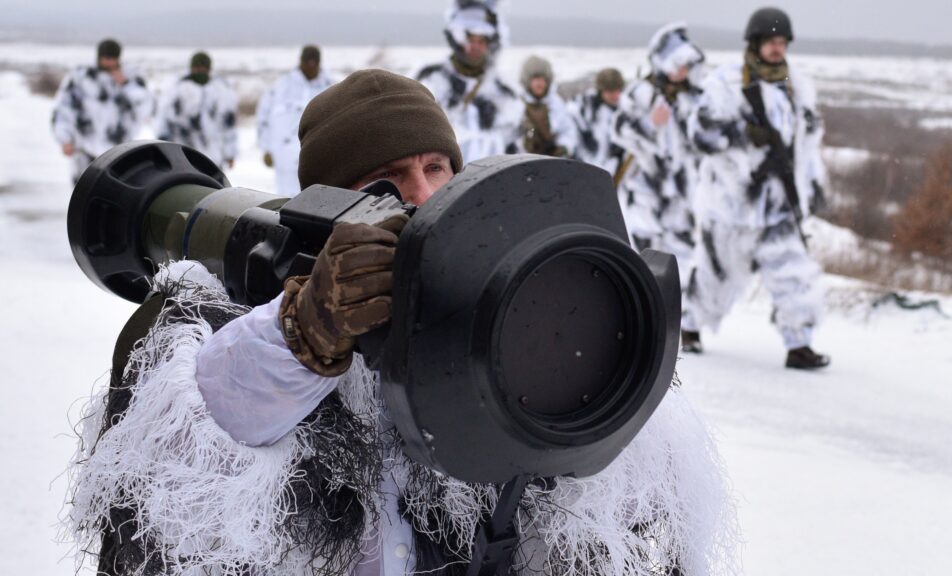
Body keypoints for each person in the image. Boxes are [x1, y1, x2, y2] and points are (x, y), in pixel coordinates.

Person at [64, 70, 737, 576]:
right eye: (384, 179)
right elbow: (209, 432)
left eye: (435, 168)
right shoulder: (255, 322)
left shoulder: (491, 304)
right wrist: (308, 333)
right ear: (330, 204)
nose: (419, 194)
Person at [681, 7, 830, 369]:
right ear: (755, 43)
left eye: (782, 42)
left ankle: (799, 344)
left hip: (779, 204)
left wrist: (813, 182)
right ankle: (688, 329)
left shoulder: (797, 87)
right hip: (731, 204)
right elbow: (699, 135)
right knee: (716, 274)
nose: (777, 49)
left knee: (793, 273)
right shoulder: (727, 83)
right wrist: (740, 133)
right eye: (770, 42)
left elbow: (806, 145)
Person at [611, 22, 705, 291]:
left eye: (687, 65)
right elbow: (619, 130)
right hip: (645, 189)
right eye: (678, 64)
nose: (682, 71)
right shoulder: (640, 93)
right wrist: (650, 125)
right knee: (644, 257)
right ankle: (645, 314)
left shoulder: (694, 100)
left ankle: (682, 318)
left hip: (680, 193)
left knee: (681, 258)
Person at [416, 0, 522, 162]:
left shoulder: (504, 92)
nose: (476, 47)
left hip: (494, 181)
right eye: (470, 40)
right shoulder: (431, 80)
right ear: (457, 39)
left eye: (482, 41)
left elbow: (517, 144)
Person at [51, 38, 152, 183]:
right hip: (85, 150)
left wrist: (125, 84)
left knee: (118, 197)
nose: (110, 62)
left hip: (119, 152)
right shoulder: (81, 78)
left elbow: (146, 108)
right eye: (106, 58)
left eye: (113, 58)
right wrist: (65, 138)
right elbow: (64, 109)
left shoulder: (131, 78)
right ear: (99, 57)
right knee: (84, 195)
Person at [256, 45, 333, 197]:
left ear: (319, 63)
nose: (311, 67)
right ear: (301, 62)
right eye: (307, 62)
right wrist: (266, 148)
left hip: (318, 158)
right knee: (286, 201)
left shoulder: (330, 87)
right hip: (285, 158)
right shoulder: (281, 86)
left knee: (317, 201)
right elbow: (263, 118)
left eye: (314, 63)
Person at [154, 51, 239, 170]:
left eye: (203, 68)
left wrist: (230, 153)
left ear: (209, 69)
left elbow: (229, 126)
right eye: (197, 68)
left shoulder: (221, 91)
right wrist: (163, 149)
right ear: (192, 68)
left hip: (213, 156)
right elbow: (165, 121)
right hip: (183, 155)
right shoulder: (178, 90)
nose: (200, 71)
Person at [517, 55, 577, 158]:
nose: (540, 83)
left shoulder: (556, 103)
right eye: (536, 78)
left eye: (544, 79)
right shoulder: (516, 104)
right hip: (521, 163)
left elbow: (568, 130)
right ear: (527, 80)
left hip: (550, 163)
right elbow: (507, 136)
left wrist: (563, 146)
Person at [569, 68, 626, 176]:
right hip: (589, 169)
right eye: (610, 91)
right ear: (601, 90)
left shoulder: (626, 110)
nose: (615, 95)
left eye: (617, 90)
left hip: (617, 172)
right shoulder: (586, 108)